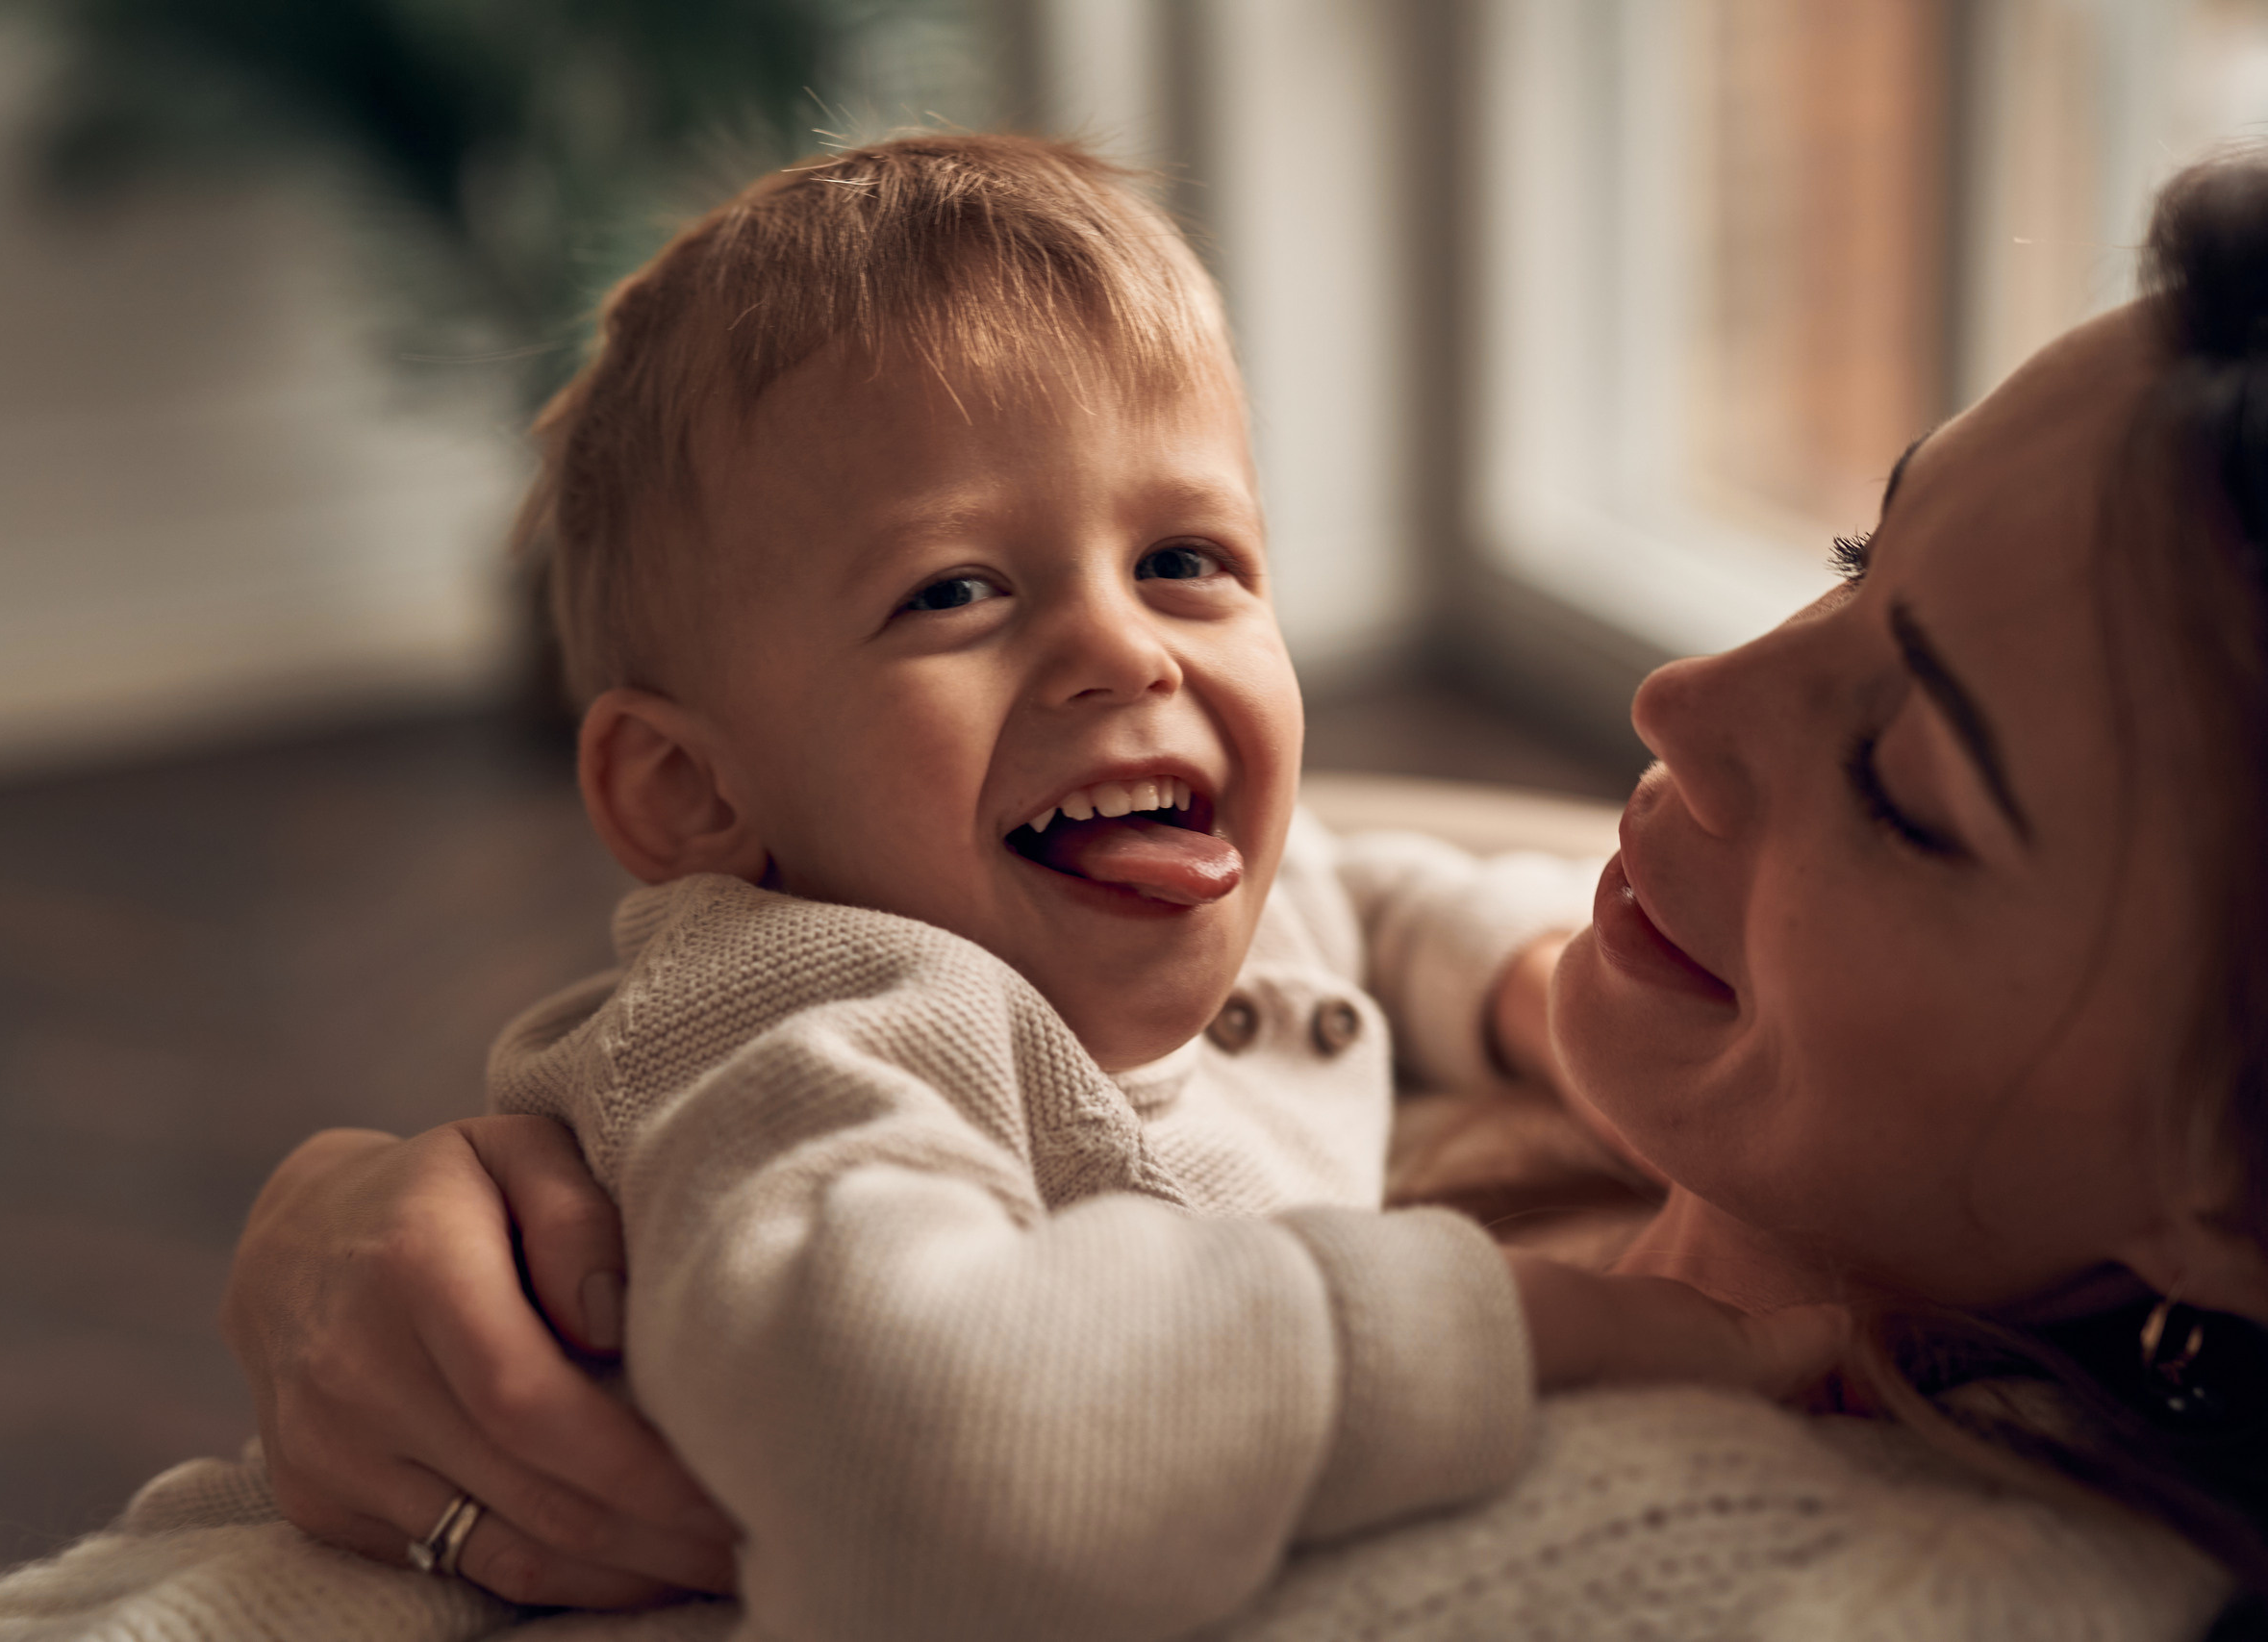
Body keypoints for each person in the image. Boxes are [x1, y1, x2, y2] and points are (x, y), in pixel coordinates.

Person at [219, 147, 2268, 1640]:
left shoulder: (1769, 1553)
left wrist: (1551, 1322)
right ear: (683, 785)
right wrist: (1519, 974)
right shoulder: (867, 1001)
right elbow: (1345, 887)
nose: (1677, 695)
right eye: (1844, 556)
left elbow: (962, 1484)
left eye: (1904, 779)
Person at [0, 134, 1830, 1642]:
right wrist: (1531, 1321)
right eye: (955, 592)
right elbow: (950, 1490)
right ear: (688, 791)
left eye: (1186, 557)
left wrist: (1515, 980)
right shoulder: (824, 1009)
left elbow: (1354, 880)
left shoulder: (1144, 888)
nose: (1122, 652)